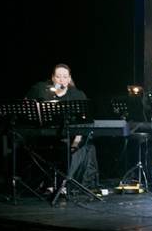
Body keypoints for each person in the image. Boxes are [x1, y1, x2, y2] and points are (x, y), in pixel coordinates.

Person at [24, 63, 101, 192]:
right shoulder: (41, 89)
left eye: (65, 77)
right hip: (44, 136)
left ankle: (64, 184)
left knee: (74, 149)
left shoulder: (77, 94)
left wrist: (76, 141)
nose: (61, 80)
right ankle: (48, 184)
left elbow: (82, 122)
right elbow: (27, 103)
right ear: (52, 78)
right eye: (58, 76)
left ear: (69, 79)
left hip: (68, 137)